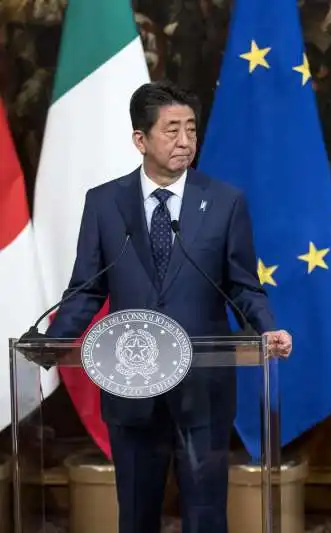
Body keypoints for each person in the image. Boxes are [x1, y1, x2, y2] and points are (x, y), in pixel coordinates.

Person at [45, 81, 292, 533]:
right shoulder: (105, 203)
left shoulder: (223, 202)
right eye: (171, 130)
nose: (184, 142)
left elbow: (242, 285)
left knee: (205, 514)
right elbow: (87, 288)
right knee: (136, 515)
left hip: (203, 388)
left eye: (191, 130)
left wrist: (266, 327)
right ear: (140, 139)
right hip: (131, 384)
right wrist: (53, 340)